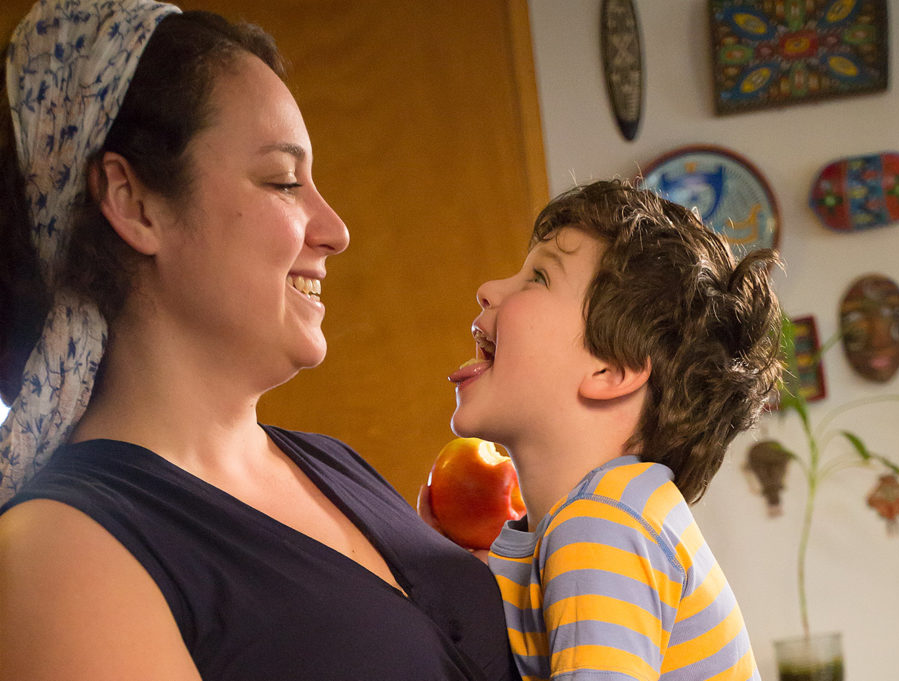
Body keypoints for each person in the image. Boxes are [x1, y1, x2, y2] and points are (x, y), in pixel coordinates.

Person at [0, 2, 519, 679]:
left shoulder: (335, 466)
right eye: (283, 181)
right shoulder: (58, 554)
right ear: (134, 203)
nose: (334, 230)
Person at [446, 179, 782, 681]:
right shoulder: (609, 516)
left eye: (537, 277)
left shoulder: (602, 523)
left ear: (612, 371)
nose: (489, 289)